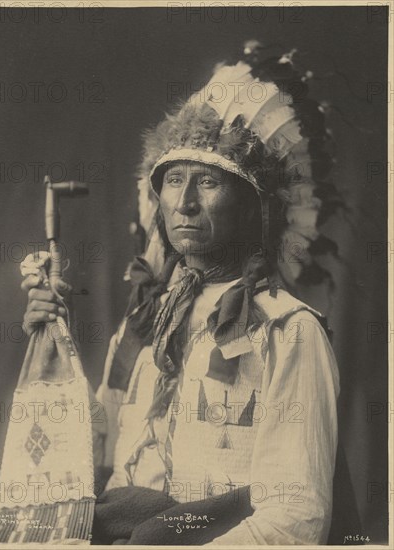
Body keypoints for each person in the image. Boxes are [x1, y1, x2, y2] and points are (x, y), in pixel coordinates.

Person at [21, 44, 342, 545]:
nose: (186, 204)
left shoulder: (288, 333)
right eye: (173, 180)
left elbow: (294, 520)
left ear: (251, 205)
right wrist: (51, 349)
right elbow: (87, 465)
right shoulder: (141, 328)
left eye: (208, 182)